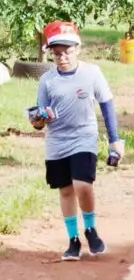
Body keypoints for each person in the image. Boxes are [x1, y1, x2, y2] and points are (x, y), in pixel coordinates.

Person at [30, 21, 124, 261]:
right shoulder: (47, 81)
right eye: (57, 53)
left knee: (83, 185)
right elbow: (39, 117)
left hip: (84, 136)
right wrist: (38, 120)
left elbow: (106, 104)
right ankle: (73, 239)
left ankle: (91, 229)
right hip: (57, 141)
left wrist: (115, 140)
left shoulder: (92, 73)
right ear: (51, 53)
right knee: (66, 191)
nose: (62, 57)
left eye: (67, 52)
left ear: (78, 48)